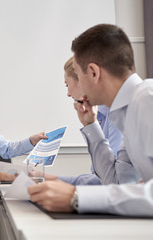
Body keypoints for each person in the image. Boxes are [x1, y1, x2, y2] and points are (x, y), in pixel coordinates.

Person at [28, 24, 153, 216]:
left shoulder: (147, 99)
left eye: (77, 74)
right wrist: (91, 126)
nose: (73, 91)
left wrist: (77, 197)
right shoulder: (127, 113)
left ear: (93, 73)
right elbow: (117, 183)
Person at [53, 56, 123, 185]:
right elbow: (101, 176)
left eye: (67, 85)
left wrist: (51, 180)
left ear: (83, 80)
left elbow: (112, 180)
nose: (68, 93)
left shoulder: (117, 115)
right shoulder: (99, 116)